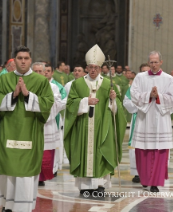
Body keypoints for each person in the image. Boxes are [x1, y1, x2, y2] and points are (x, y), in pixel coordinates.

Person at [0, 46, 54, 212]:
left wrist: (28, 95)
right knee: (8, 168)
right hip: (8, 131)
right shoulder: (4, 80)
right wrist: (13, 95)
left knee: (25, 170)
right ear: (14, 60)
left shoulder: (40, 81)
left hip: (30, 131)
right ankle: (8, 205)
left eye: (26, 58)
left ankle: (23, 206)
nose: (23, 61)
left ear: (31, 60)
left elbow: (47, 104)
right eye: (20, 58)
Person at [64, 44, 126, 195]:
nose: (93, 70)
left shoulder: (108, 84)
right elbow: (70, 104)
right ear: (86, 68)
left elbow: (117, 108)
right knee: (84, 152)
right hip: (83, 126)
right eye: (90, 67)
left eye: (96, 67)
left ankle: (100, 185)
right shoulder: (77, 84)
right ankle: (85, 186)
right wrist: (85, 102)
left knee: (101, 151)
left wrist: (113, 100)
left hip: (102, 127)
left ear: (100, 68)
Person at [130, 51, 173, 192]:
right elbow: (134, 94)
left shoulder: (168, 78)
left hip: (161, 119)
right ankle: (145, 179)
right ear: (148, 62)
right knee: (143, 151)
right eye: (151, 62)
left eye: (156, 62)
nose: (154, 64)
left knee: (159, 152)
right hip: (144, 119)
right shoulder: (140, 77)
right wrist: (148, 95)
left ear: (161, 62)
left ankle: (155, 183)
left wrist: (159, 97)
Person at [32, 62, 66, 186]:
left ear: (45, 72)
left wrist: (45, 115)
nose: (38, 74)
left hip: (47, 124)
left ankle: (41, 177)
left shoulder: (53, 87)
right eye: (35, 71)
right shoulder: (26, 86)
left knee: (45, 152)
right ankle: (31, 175)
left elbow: (56, 104)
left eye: (40, 71)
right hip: (31, 124)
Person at [123, 63, 150, 184]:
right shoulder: (134, 86)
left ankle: (150, 172)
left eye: (147, 71)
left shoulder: (158, 84)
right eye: (142, 71)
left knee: (151, 145)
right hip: (139, 118)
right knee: (136, 145)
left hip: (153, 120)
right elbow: (127, 101)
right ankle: (137, 173)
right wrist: (140, 106)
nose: (145, 73)